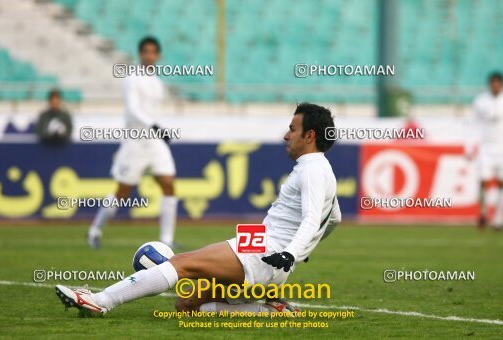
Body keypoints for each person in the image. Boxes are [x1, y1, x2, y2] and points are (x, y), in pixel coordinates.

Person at [56, 103, 341, 315]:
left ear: (310, 136)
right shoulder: (321, 169)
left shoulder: (312, 170)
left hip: (261, 253)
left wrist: (292, 252)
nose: (285, 135)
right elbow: (334, 219)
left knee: (181, 263)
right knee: (187, 304)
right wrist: (299, 250)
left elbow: (312, 218)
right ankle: (270, 310)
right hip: (269, 259)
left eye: (292, 129)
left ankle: (101, 300)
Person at [87, 36, 178, 249]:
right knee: (123, 191)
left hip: (154, 143)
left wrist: (160, 128)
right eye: (145, 51)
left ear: (158, 55)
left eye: (153, 52)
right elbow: (133, 110)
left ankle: (167, 240)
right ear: (140, 54)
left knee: (169, 185)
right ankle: (94, 230)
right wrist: (154, 126)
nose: (149, 55)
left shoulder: (157, 82)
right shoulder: (132, 78)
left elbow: (155, 113)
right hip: (135, 143)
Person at [465, 72, 503, 230]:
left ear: (502, 84)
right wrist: (469, 147)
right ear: (490, 84)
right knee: (483, 181)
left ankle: (498, 218)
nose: (495, 85)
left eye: (498, 83)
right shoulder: (481, 101)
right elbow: (472, 124)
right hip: (486, 147)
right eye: (493, 83)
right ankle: (483, 212)